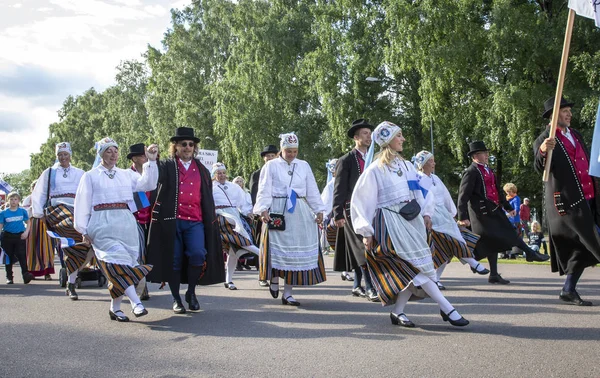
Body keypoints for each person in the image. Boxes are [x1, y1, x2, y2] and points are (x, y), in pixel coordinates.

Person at [351, 121, 469, 327]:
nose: (403, 139)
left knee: (413, 268)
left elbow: (422, 191)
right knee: (413, 268)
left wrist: (427, 212)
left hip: (411, 221)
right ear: (388, 140)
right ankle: (447, 308)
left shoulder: (406, 166)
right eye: (399, 136)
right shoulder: (374, 170)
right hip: (389, 224)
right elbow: (362, 201)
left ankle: (397, 312)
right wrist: (366, 232)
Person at [74, 138, 158, 322]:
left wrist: (151, 162)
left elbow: (148, 184)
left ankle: (115, 308)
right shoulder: (90, 176)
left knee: (124, 265)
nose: (113, 154)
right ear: (101, 154)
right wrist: (83, 229)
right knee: (115, 262)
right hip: (101, 222)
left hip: (125, 222)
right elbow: (82, 202)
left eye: (115, 150)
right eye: (108, 151)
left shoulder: (126, 174)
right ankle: (136, 302)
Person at [146, 127, 224, 314]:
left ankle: (191, 292)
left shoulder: (203, 170)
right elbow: (150, 182)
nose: (188, 147)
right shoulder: (166, 165)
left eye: (191, 144)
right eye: (183, 144)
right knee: (174, 259)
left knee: (198, 254)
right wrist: (150, 160)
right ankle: (176, 299)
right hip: (172, 221)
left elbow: (207, 196)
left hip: (195, 221)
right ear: (176, 147)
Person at [534, 96, 600, 306]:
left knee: (581, 247)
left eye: (569, 110)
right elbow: (539, 167)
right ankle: (568, 289)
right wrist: (544, 150)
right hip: (569, 202)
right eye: (564, 110)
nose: (569, 113)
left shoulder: (576, 135)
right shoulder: (545, 139)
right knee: (594, 240)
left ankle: (568, 290)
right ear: (553, 115)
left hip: (589, 197)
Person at [457, 141, 549, 285]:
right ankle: (529, 253)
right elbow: (463, 195)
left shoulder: (488, 170)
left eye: (487, 152)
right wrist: (462, 217)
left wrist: (508, 207)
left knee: (496, 240)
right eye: (483, 153)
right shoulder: (471, 172)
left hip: (494, 210)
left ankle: (492, 273)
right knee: (503, 236)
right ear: (475, 156)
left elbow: (498, 191)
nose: (487, 155)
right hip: (481, 214)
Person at [254, 132, 326, 306]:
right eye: (289, 151)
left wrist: (319, 210)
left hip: (299, 210)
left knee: (295, 254)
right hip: (278, 209)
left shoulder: (304, 165)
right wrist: (263, 209)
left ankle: (288, 293)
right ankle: (274, 279)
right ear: (281, 149)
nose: (292, 154)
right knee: (276, 249)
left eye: (295, 151)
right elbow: (264, 188)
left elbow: (312, 189)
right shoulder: (271, 166)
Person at [413, 150, 488, 290]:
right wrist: (425, 215)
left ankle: (435, 280)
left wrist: (453, 213)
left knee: (447, 250)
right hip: (430, 216)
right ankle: (473, 263)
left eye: (433, 160)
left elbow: (446, 195)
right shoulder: (418, 178)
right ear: (422, 164)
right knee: (448, 243)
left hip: (444, 216)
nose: (434, 163)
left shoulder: (436, 179)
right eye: (430, 161)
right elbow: (419, 199)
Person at [31, 142, 89, 300]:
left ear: (70, 155)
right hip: (58, 210)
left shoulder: (80, 173)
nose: (63, 157)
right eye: (60, 155)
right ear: (57, 156)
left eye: (65, 154)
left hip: (76, 209)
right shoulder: (49, 172)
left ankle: (71, 282)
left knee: (78, 246)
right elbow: (39, 193)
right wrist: (39, 214)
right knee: (74, 228)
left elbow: (87, 192)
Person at [332, 119, 379, 302]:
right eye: (365, 133)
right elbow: (339, 188)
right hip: (352, 209)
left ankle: (356, 285)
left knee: (367, 247)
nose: (369, 136)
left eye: (370, 133)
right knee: (362, 248)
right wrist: (337, 213)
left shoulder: (375, 158)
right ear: (356, 137)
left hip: (371, 209)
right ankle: (369, 287)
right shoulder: (347, 160)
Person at [212, 163, 259, 290]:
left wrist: (248, 212)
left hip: (235, 214)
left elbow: (243, 202)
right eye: (218, 173)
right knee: (240, 238)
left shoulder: (234, 187)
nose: (221, 175)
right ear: (214, 175)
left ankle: (229, 280)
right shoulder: (210, 187)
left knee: (233, 252)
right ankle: (262, 254)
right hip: (221, 216)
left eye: (223, 173)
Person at [249, 145, 279, 287]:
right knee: (263, 245)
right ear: (263, 158)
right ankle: (262, 275)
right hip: (263, 215)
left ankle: (276, 275)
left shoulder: (281, 172)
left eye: (272, 155)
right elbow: (255, 194)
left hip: (278, 213)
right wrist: (261, 212)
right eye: (267, 156)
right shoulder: (257, 173)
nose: (269, 158)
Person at [128, 143, 153, 301]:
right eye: (144, 155)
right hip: (133, 219)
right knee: (138, 253)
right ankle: (140, 286)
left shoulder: (151, 174)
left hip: (151, 220)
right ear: (135, 158)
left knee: (149, 253)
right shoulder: (126, 175)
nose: (146, 158)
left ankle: (142, 283)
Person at [23, 180, 55, 280]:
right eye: (34, 187)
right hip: (33, 222)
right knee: (32, 247)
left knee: (46, 247)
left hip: (45, 222)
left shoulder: (47, 198)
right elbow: (25, 213)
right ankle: (32, 271)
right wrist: (34, 207)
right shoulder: (28, 199)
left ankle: (47, 272)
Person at [0, 192, 34, 284]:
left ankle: (26, 275)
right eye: (11, 199)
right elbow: (1, 225)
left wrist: (26, 232)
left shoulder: (22, 211)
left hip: (20, 236)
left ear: (18, 201)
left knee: (22, 255)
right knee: (9, 257)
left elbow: (28, 222)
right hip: (7, 236)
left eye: (15, 199)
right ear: (8, 200)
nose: (13, 201)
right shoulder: (3, 213)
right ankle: (9, 277)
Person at [232, 176, 256, 271]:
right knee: (238, 240)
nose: (239, 183)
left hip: (247, 217)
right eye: (237, 181)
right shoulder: (232, 192)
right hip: (237, 216)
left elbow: (249, 205)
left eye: (241, 181)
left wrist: (251, 213)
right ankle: (237, 263)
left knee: (248, 238)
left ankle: (244, 261)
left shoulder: (247, 193)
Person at [503, 183, 523, 259]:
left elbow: (517, 209)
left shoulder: (516, 198)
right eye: (507, 191)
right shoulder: (506, 198)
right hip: (507, 220)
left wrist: (509, 214)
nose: (507, 193)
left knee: (515, 236)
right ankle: (506, 253)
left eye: (509, 191)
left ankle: (514, 253)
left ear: (513, 191)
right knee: (506, 237)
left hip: (514, 220)